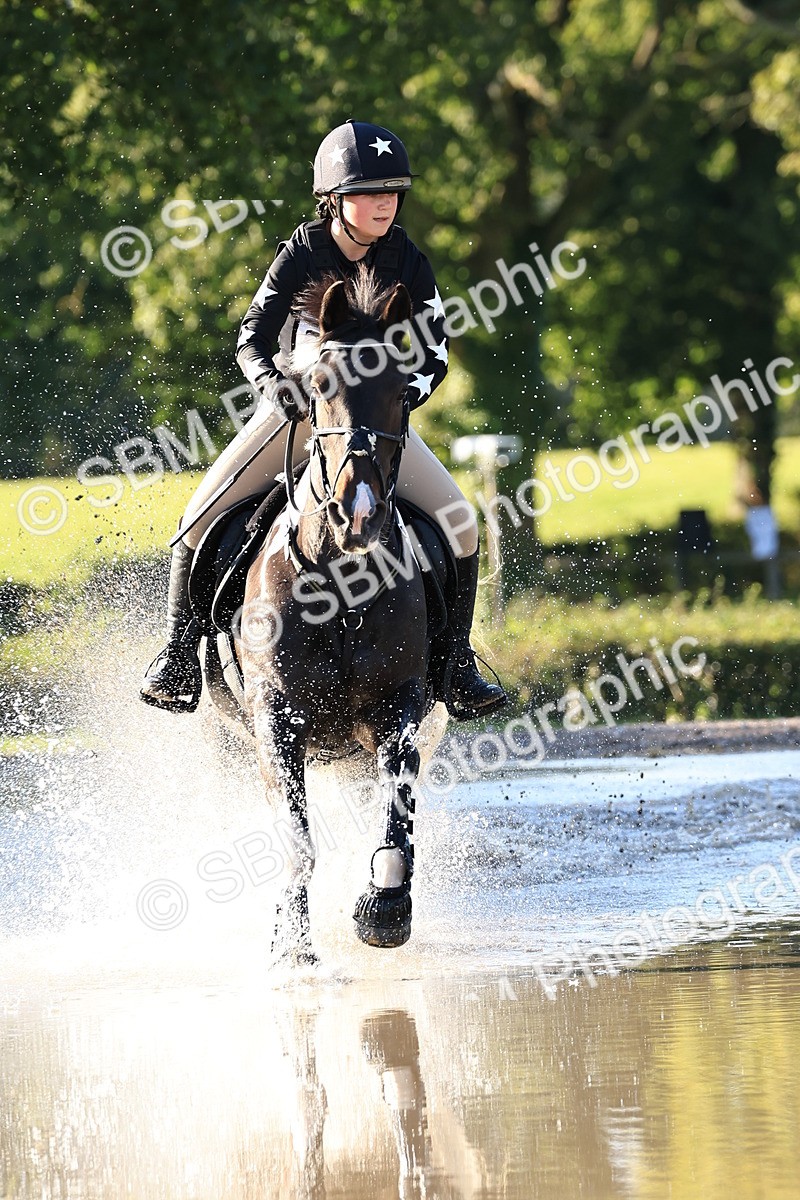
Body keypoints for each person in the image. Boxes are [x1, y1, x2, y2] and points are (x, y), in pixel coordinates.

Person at [140, 120, 507, 720]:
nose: (384, 202)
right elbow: (252, 338)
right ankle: (179, 656)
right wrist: (274, 387)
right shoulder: (303, 253)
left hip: (378, 425)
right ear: (335, 200)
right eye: (368, 192)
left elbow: (436, 353)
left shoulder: (407, 259)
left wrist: (401, 399)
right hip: (295, 417)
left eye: (392, 190)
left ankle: (456, 665)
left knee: (461, 523)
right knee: (197, 516)